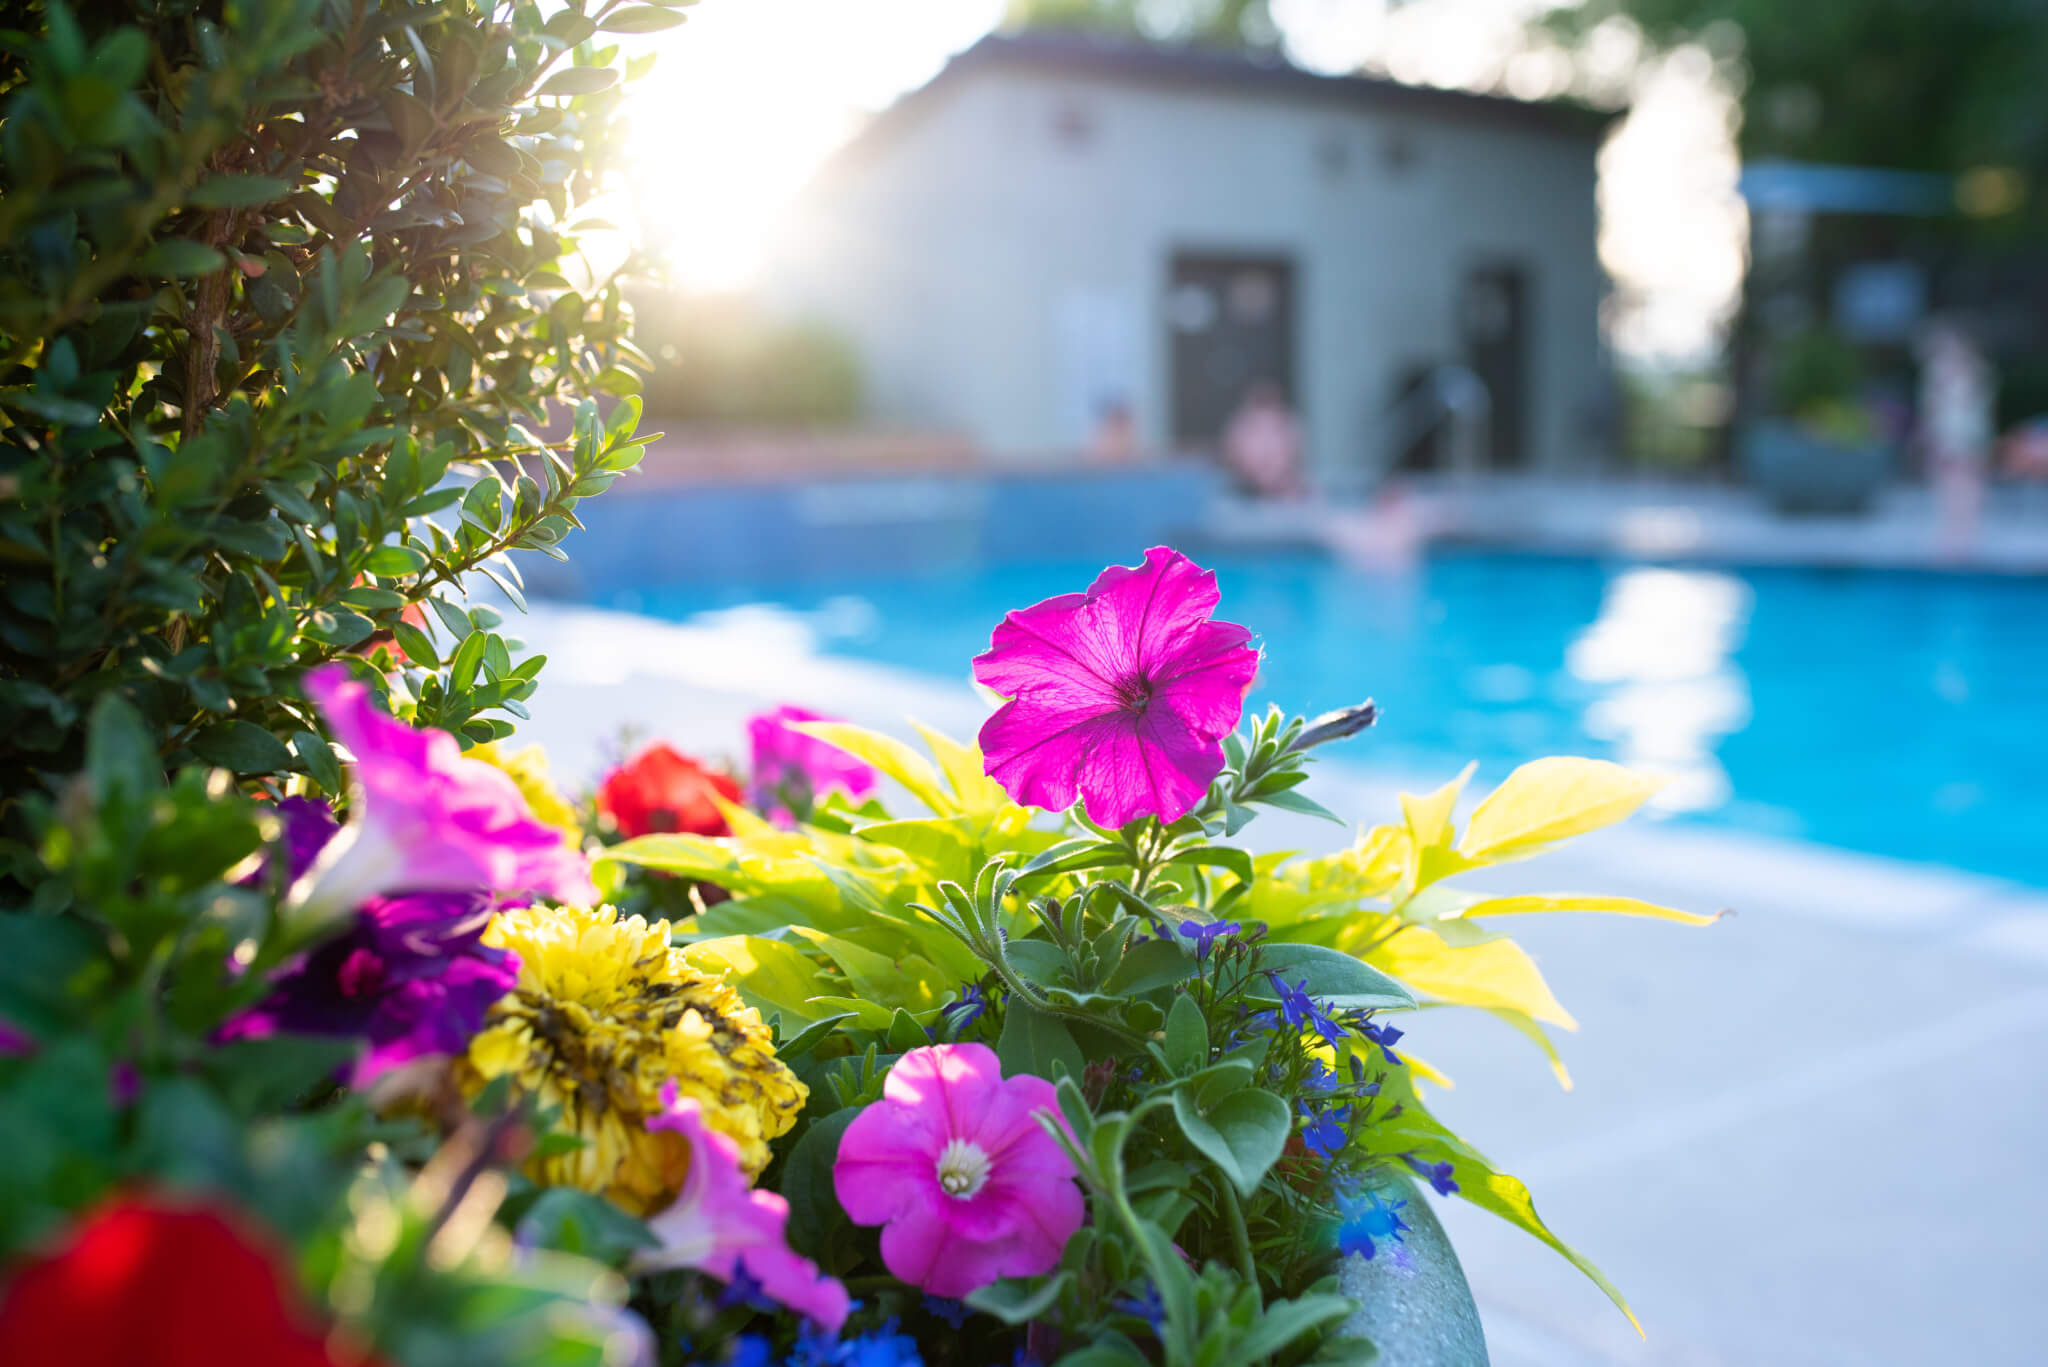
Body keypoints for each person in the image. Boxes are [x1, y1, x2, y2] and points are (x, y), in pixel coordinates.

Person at [1917, 320, 1994, 559]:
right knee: (1949, 486)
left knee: (1968, 485)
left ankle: (1965, 535)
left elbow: (1981, 409)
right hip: (1948, 435)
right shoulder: (1938, 374)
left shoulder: (1976, 373)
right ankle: (1952, 535)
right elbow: (1931, 410)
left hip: (1968, 435)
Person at [1221, 379, 1304, 498]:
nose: (1266, 448)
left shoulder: (1320, 508)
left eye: (1275, 432)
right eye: (1255, 432)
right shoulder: (1221, 509)